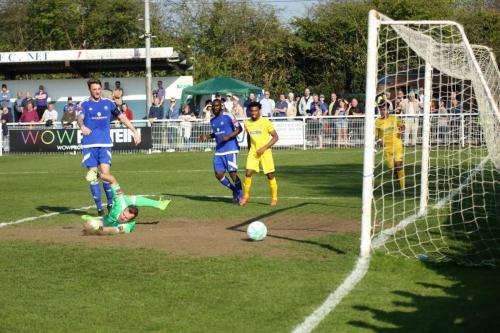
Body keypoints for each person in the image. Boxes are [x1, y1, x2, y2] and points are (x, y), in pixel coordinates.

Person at [79, 78, 141, 216]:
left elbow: (123, 118)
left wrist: (134, 131)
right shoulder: (83, 104)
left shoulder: (109, 103)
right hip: (89, 144)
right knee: (93, 177)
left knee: (106, 176)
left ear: (101, 89)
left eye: (98, 89)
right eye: (94, 89)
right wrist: (82, 126)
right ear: (90, 90)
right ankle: (99, 209)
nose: (96, 91)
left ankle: (110, 204)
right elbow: (80, 118)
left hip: (105, 143)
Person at [81, 173, 170, 235]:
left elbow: (113, 230)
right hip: (110, 217)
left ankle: (159, 204)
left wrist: (99, 229)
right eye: (124, 214)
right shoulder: (120, 202)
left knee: (95, 226)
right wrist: (98, 175)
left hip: (111, 223)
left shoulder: (128, 225)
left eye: (126, 218)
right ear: (124, 210)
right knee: (88, 224)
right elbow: (113, 180)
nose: (123, 217)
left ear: (129, 220)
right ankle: (159, 204)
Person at [200, 99, 243, 203]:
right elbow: (217, 133)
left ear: (221, 106)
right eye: (213, 106)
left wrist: (228, 137)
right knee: (218, 175)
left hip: (231, 148)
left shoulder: (229, 116)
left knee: (233, 174)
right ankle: (234, 190)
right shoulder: (212, 121)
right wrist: (207, 136)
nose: (215, 108)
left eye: (217, 106)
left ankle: (241, 195)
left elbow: (239, 129)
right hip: (219, 151)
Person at [240, 101, 279, 206]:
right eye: (252, 111)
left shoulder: (266, 122)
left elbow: (276, 137)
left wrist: (264, 148)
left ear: (259, 111)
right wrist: (249, 150)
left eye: (255, 110)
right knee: (248, 173)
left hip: (265, 152)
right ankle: (246, 196)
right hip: (253, 152)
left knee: (270, 175)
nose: (253, 113)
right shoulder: (247, 123)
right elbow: (249, 137)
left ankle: (274, 198)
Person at [375, 102, 406, 190]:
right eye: (381, 110)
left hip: (397, 144)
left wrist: (401, 131)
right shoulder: (377, 122)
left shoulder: (394, 118)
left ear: (388, 110)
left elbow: (403, 126)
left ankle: (402, 188)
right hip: (387, 147)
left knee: (398, 164)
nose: (382, 111)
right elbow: (376, 136)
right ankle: (396, 174)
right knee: (392, 169)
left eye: (384, 109)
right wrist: (378, 141)